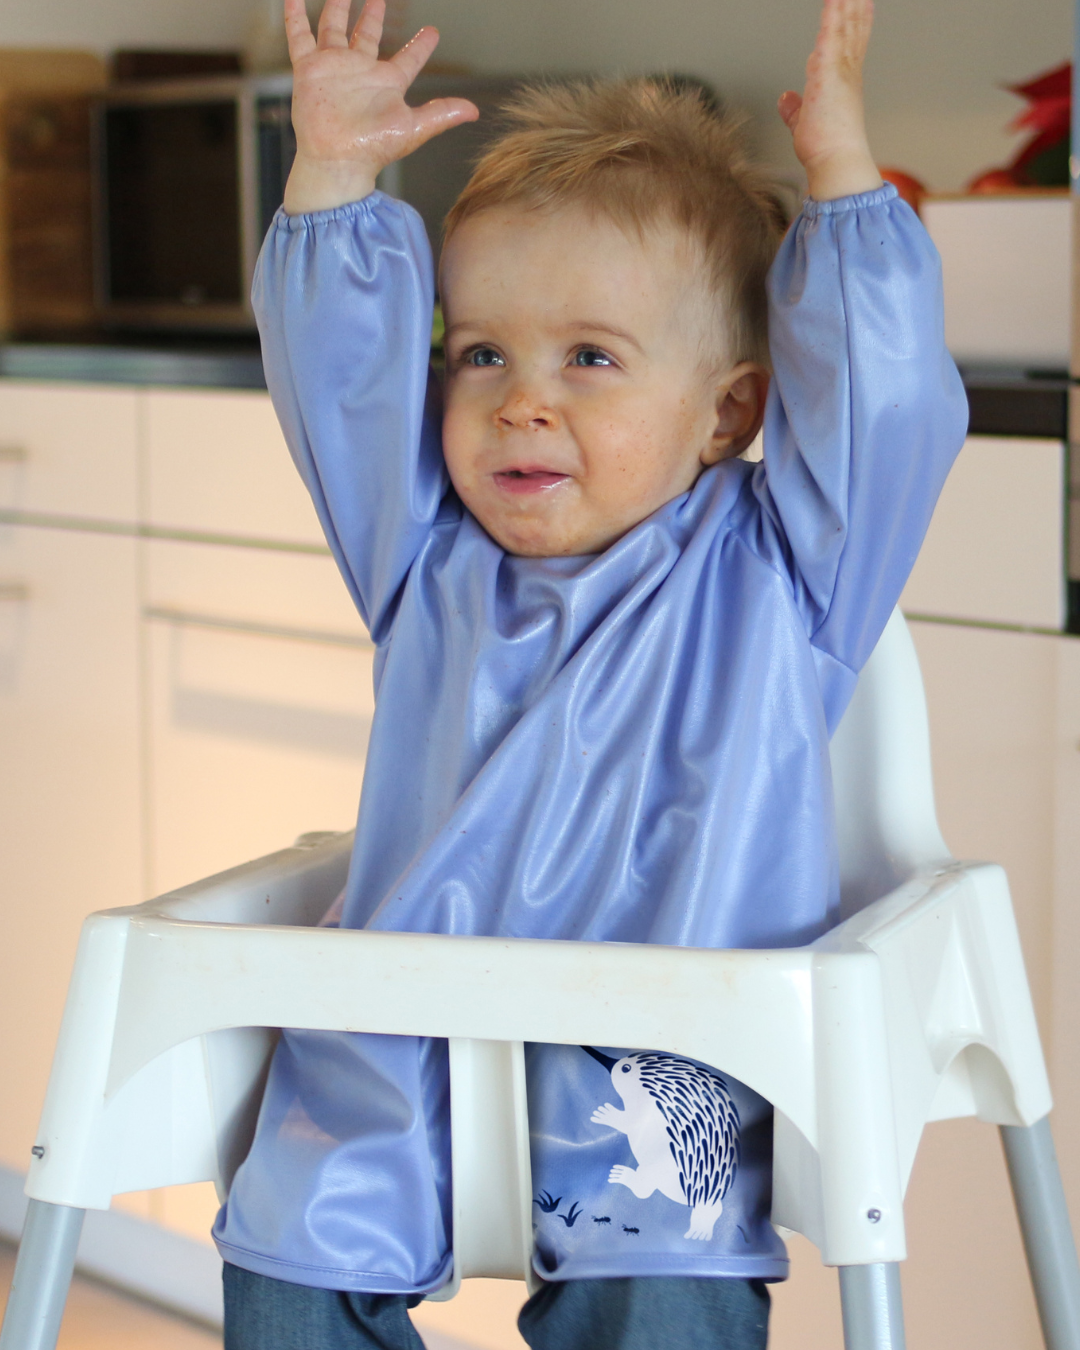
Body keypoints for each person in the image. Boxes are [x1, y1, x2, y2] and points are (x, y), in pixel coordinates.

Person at [212, 0, 969, 1344]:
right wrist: (328, 180)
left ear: (728, 410)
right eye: (481, 352)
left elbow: (886, 402)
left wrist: (848, 190)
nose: (522, 399)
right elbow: (341, 385)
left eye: (591, 357)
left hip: (656, 1075)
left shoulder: (788, 573)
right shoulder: (422, 557)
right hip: (397, 1052)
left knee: (660, 1297)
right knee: (289, 1252)